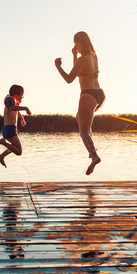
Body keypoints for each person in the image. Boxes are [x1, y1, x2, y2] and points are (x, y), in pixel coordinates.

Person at [55, 31, 106, 175]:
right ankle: (92, 150)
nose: (74, 45)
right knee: (80, 119)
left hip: (88, 95)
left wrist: (58, 66)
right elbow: (78, 71)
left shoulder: (82, 60)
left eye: (75, 42)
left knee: (83, 131)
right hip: (100, 95)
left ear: (81, 43)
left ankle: (94, 156)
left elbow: (70, 78)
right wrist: (74, 55)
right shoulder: (93, 56)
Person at [0, 85, 32, 167]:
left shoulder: (11, 101)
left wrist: (22, 118)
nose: (22, 98)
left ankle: (1, 156)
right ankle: (3, 143)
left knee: (14, 148)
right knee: (19, 152)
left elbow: (15, 110)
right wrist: (26, 108)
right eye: (22, 96)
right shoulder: (10, 101)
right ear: (16, 95)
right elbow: (12, 108)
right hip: (10, 129)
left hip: (7, 129)